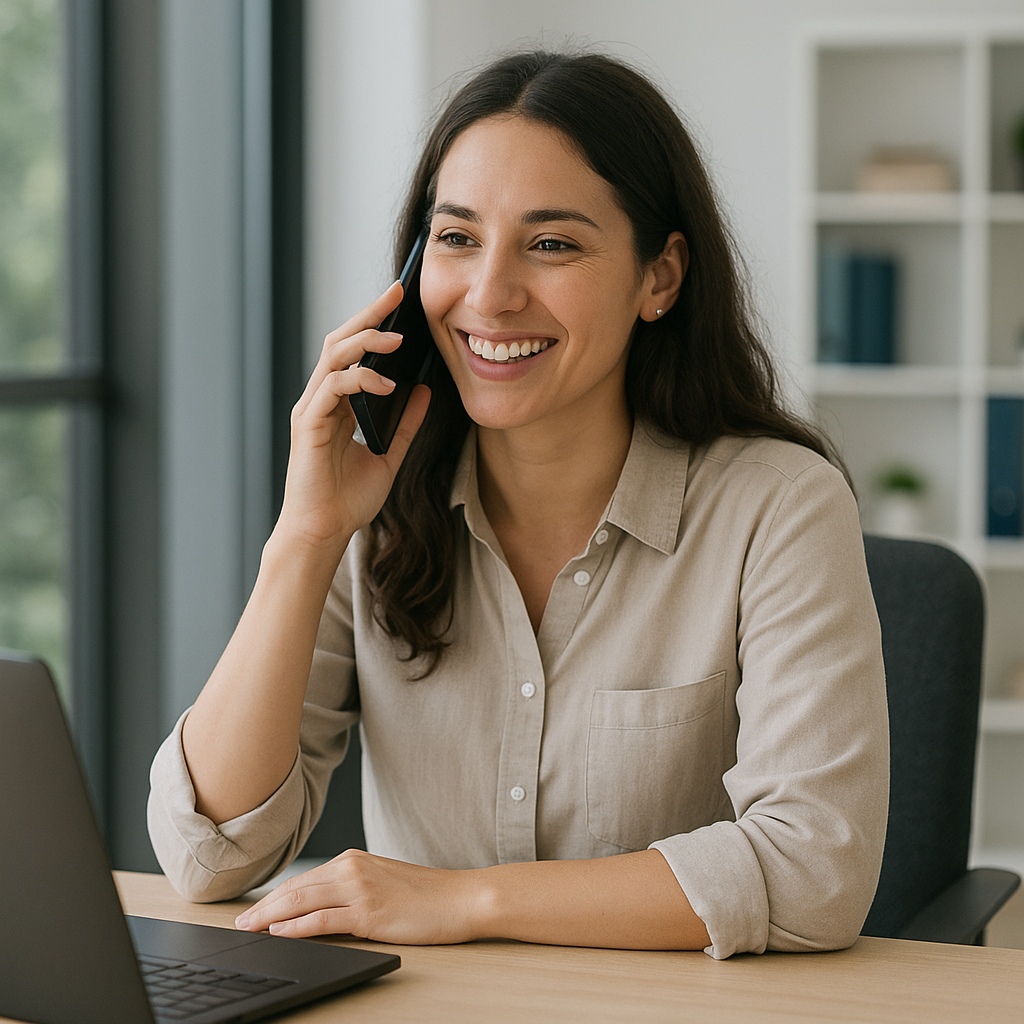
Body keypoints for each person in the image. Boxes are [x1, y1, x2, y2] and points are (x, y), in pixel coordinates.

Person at [148, 50, 888, 960]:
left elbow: (814, 871)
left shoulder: (778, 508)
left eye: (552, 244)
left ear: (659, 277)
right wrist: (305, 537)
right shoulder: (372, 503)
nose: (490, 296)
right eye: (457, 238)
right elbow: (209, 853)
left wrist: (464, 902)